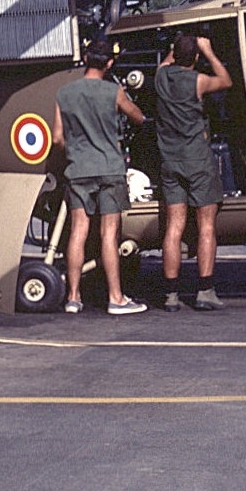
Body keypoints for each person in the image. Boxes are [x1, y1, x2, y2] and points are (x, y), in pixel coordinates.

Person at [53, 40, 147, 315]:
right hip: (109, 169)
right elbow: (138, 117)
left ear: (85, 58)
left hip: (78, 169)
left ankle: (73, 297)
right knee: (109, 235)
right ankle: (116, 298)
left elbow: (58, 137)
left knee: (78, 231)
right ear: (108, 63)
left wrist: (76, 151)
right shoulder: (113, 91)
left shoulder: (64, 94)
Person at [155, 33, 233, 311]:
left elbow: (165, 64)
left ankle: (171, 295)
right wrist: (209, 51)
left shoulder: (161, 77)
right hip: (198, 161)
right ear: (196, 58)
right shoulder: (198, 80)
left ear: (174, 55)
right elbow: (226, 80)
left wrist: (174, 47)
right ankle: (205, 290)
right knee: (206, 226)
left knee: (174, 227)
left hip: (171, 161)